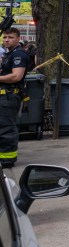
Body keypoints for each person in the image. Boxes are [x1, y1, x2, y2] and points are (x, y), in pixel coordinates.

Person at [0, 28, 30, 168]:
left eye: (10, 37)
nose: (6, 39)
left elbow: (16, 76)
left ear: (18, 38)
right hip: (5, 96)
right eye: (5, 37)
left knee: (6, 128)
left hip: (9, 96)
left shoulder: (19, 54)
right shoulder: (9, 54)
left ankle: (7, 160)